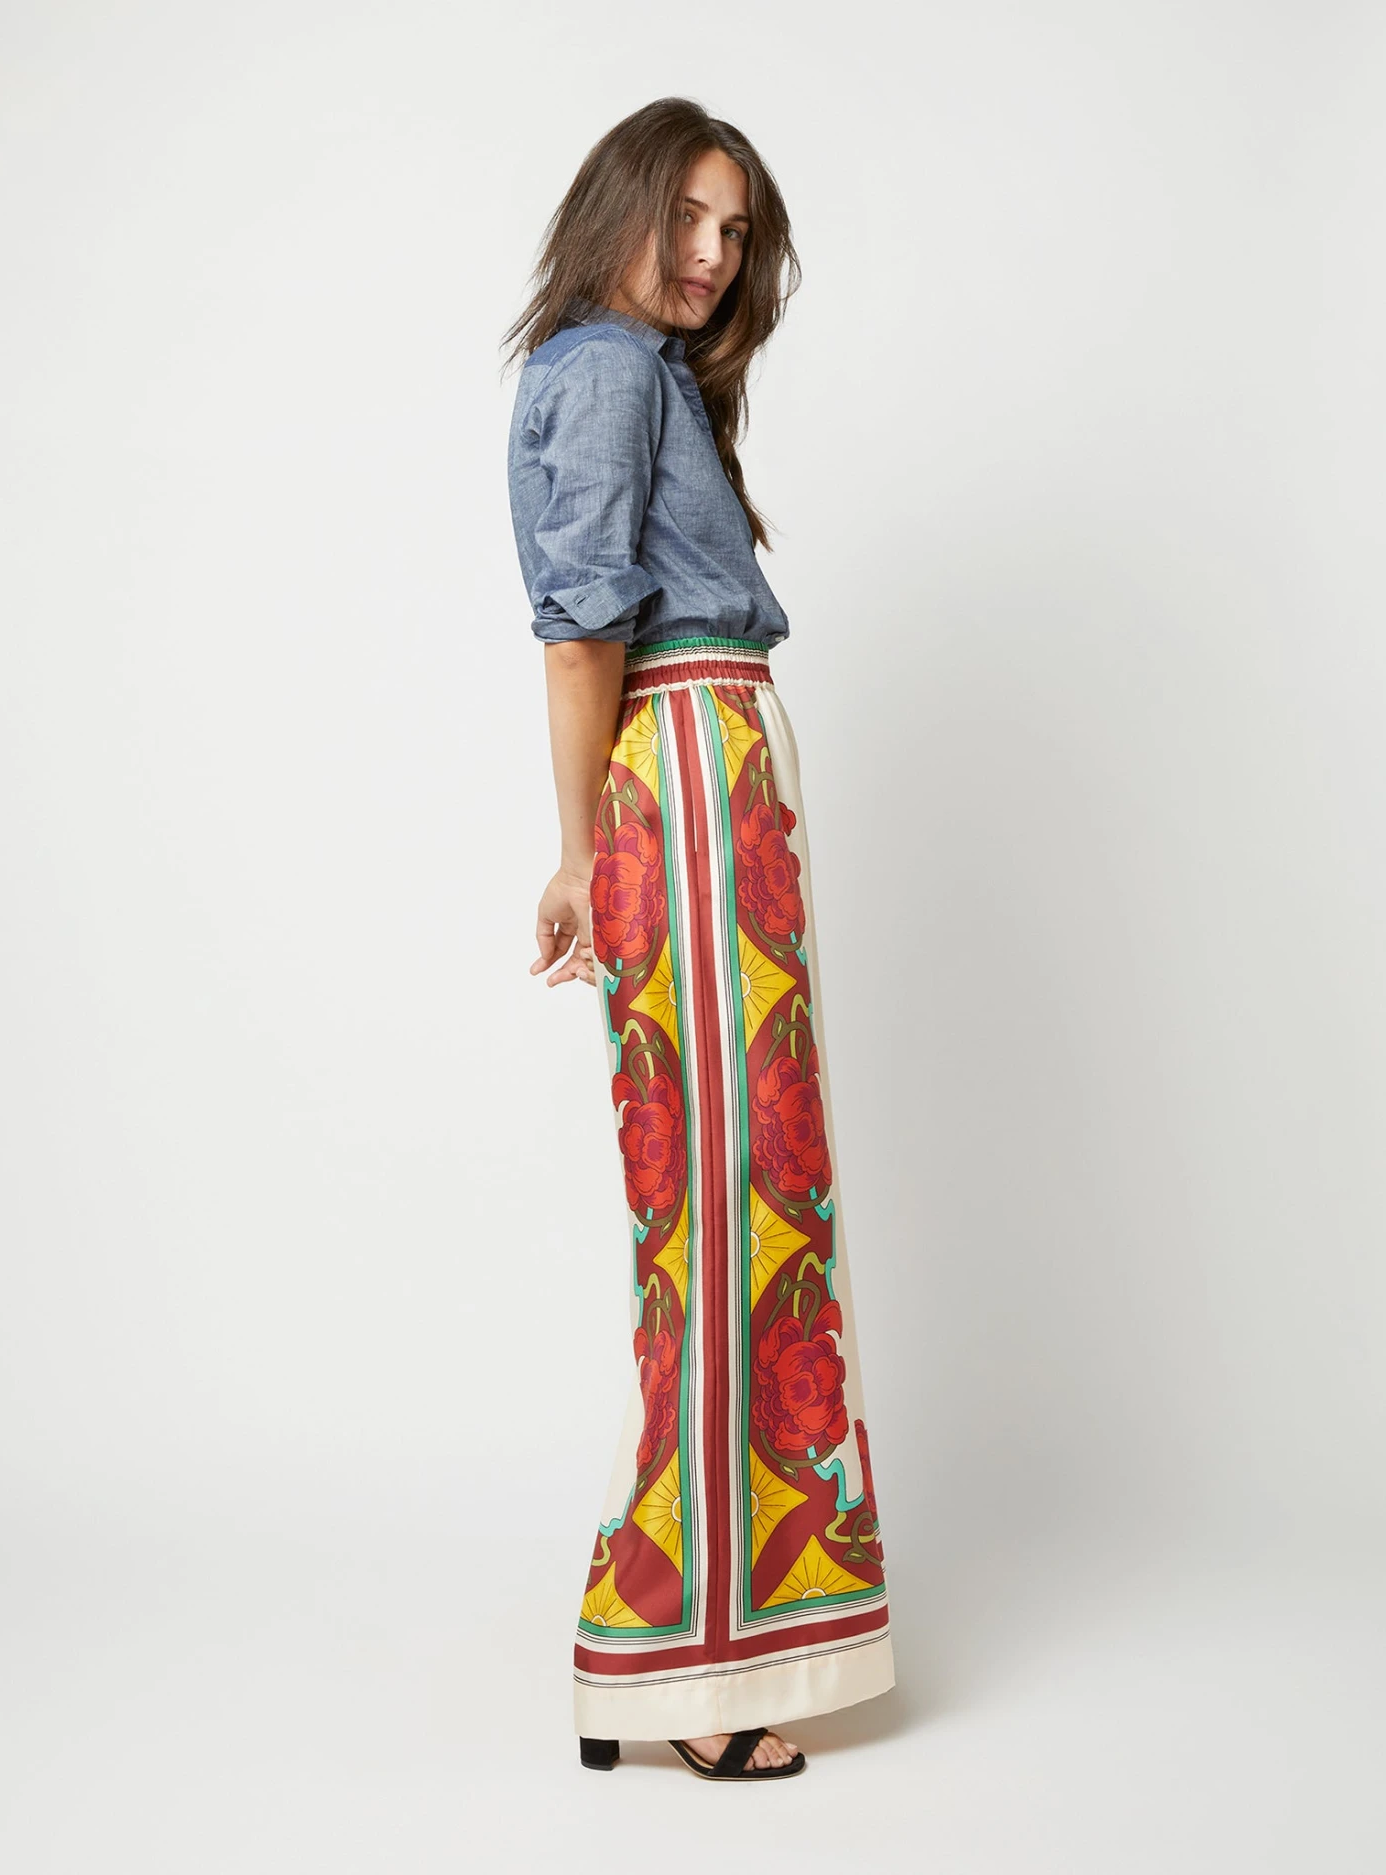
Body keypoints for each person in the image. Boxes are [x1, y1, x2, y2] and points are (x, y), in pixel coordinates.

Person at [502, 96, 893, 1783]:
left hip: (704, 769)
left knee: (752, 1203)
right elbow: (580, 633)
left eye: (737, 233)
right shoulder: (604, 372)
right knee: (731, 1218)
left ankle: (699, 1638)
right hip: (683, 768)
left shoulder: (637, 375)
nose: (716, 256)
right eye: (690, 219)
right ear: (623, 204)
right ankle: (680, 1662)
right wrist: (584, 848)